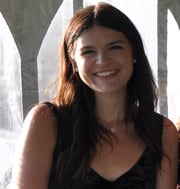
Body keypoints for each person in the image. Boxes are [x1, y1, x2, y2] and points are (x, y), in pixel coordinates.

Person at [12, 2, 178, 189]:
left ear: (134, 53)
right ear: (74, 62)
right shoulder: (45, 122)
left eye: (115, 47)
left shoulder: (163, 132)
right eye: (88, 52)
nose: (102, 60)